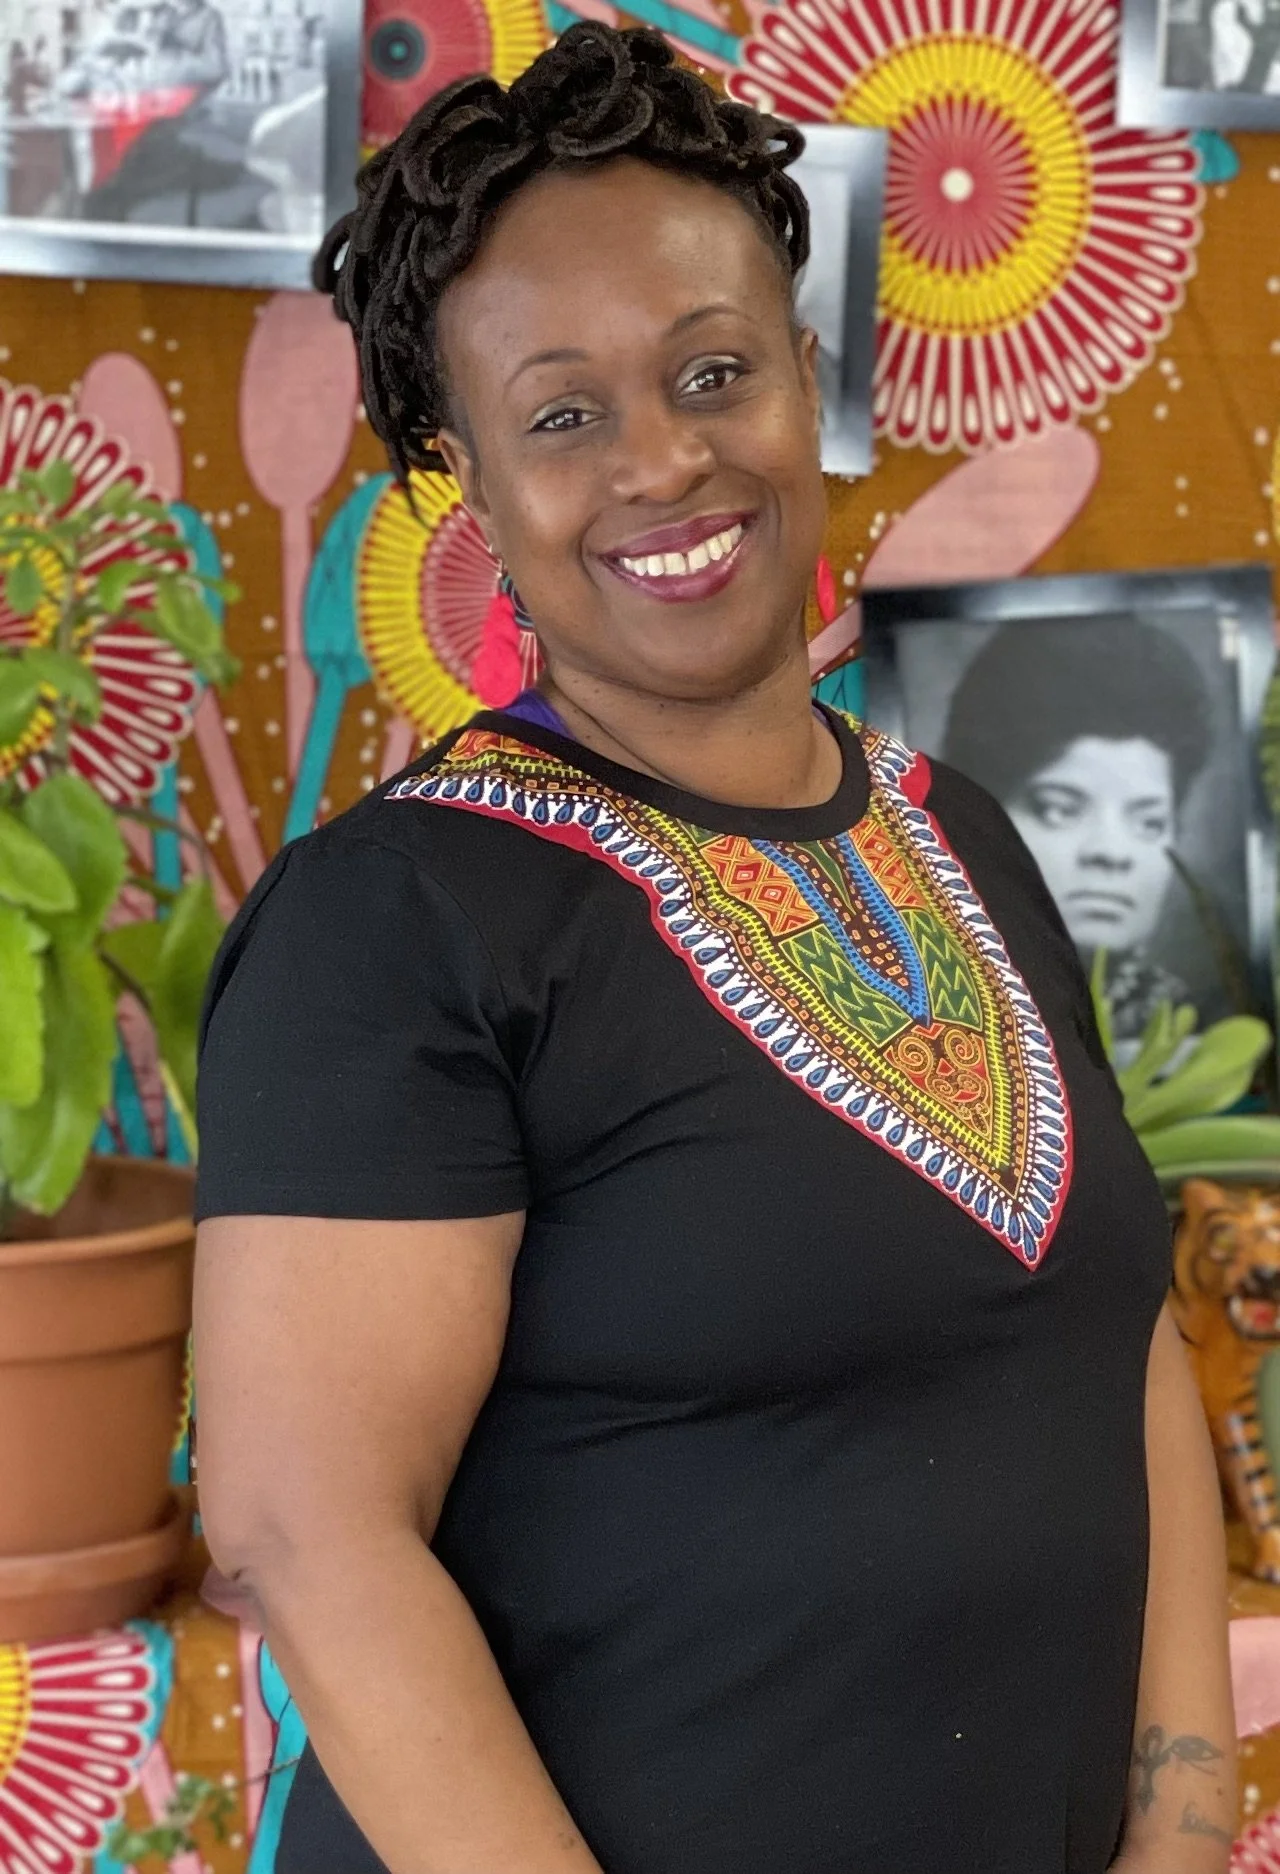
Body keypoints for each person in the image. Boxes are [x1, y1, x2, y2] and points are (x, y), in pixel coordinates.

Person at [193, 24, 1236, 1874]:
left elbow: (1115, 1334)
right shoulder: (398, 920)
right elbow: (310, 1532)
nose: (665, 459)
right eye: (564, 414)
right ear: (469, 483)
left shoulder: (963, 835)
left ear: (806, 380)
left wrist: (1183, 1816)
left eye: (712, 371)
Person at [940, 615, 1214, 1042]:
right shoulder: (926, 1014)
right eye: (1058, 810)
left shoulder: (1202, 1030)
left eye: (1149, 822)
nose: (1111, 852)